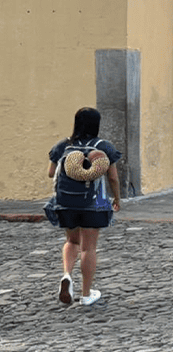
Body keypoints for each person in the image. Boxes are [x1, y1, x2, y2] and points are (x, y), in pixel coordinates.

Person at [46, 107, 122, 306]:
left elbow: (51, 172)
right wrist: (117, 198)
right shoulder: (103, 146)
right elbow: (113, 177)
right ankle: (86, 294)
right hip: (93, 204)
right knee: (89, 248)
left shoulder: (64, 145)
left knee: (72, 242)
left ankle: (67, 276)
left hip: (66, 203)